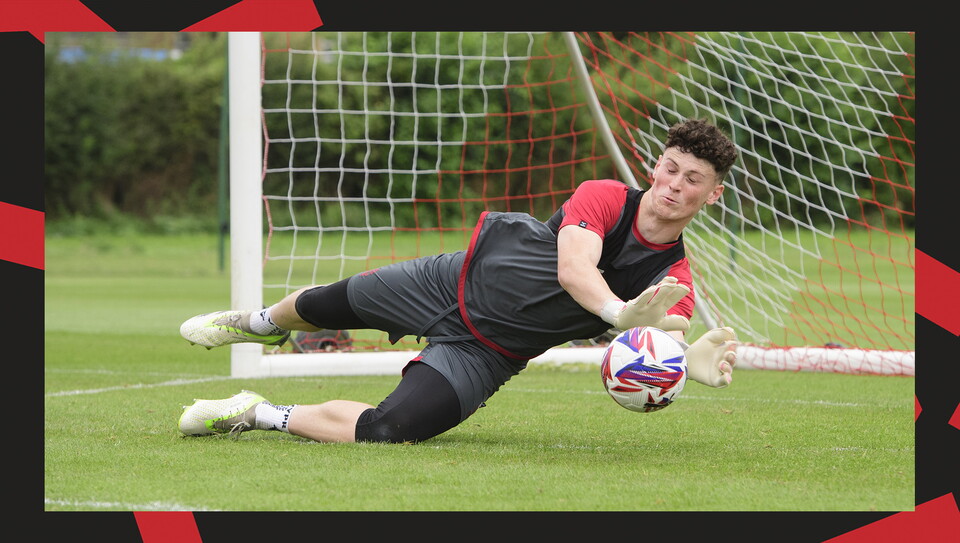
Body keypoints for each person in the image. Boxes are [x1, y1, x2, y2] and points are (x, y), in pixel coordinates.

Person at [177, 118, 740, 444]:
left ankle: (253, 411)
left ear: (712, 195)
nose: (673, 184)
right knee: (327, 303)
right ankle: (258, 323)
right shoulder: (605, 197)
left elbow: (667, 330)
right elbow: (575, 268)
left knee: (390, 430)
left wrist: (682, 361)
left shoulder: (676, 276)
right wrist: (619, 315)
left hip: (489, 353)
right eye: (669, 168)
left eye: (692, 179)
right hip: (452, 282)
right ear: (654, 166)